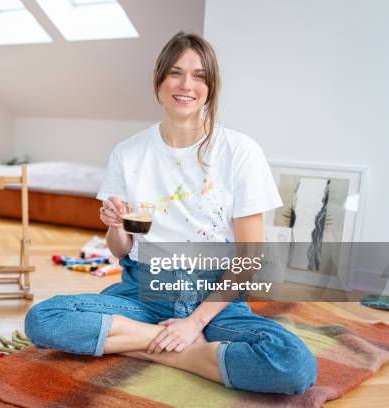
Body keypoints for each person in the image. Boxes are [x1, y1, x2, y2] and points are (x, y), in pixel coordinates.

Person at [25, 31, 317, 395]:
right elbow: (119, 249)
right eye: (176, 73)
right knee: (44, 319)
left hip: (213, 298)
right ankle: (182, 354)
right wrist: (114, 226)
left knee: (294, 365)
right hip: (143, 292)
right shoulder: (127, 154)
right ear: (159, 79)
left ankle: (143, 346)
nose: (186, 85)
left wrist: (194, 323)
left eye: (199, 76)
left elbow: (249, 257)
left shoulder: (240, 151)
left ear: (211, 86)